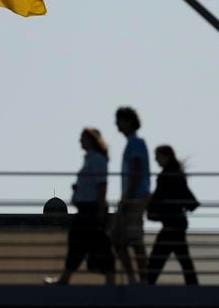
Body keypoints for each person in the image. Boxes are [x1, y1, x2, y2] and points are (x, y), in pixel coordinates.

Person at [46, 128, 114, 285]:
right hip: (87, 209)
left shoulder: (96, 159)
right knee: (92, 244)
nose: (79, 141)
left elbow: (102, 185)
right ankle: (109, 281)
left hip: (91, 210)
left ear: (91, 139)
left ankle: (66, 279)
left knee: (82, 242)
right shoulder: (91, 159)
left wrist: (100, 209)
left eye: (82, 138)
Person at [146, 145, 199, 285]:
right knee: (183, 258)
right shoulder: (176, 174)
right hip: (178, 222)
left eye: (158, 156)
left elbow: (159, 197)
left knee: (157, 258)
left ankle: (146, 286)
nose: (156, 159)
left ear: (166, 156)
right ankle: (194, 287)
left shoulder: (166, 176)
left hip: (171, 223)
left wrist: (149, 205)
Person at [111, 106, 150, 284]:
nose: (116, 124)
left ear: (127, 121)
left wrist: (126, 196)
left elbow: (136, 171)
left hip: (134, 197)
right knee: (122, 239)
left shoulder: (135, 143)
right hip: (134, 196)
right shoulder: (133, 143)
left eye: (118, 120)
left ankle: (141, 279)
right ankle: (137, 278)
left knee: (132, 239)